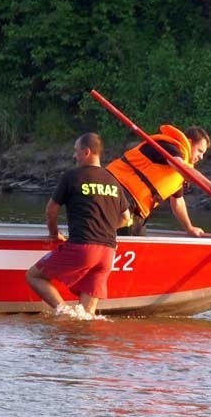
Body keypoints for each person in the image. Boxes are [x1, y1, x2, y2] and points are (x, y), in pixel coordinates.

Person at [26, 133, 131, 319]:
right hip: (108, 253)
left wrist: (54, 233)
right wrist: (103, 226)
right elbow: (126, 218)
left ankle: (63, 312)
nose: (74, 156)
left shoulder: (72, 177)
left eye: (76, 151)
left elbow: (50, 211)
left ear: (86, 151)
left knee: (34, 276)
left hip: (83, 248)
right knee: (86, 316)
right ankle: (81, 342)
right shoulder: (113, 180)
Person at [107, 124, 211, 236]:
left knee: (137, 236)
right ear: (189, 142)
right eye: (200, 151)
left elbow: (178, 203)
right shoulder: (169, 147)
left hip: (136, 208)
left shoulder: (180, 172)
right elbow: (182, 168)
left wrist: (189, 228)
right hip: (118, 189)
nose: (201, 157)